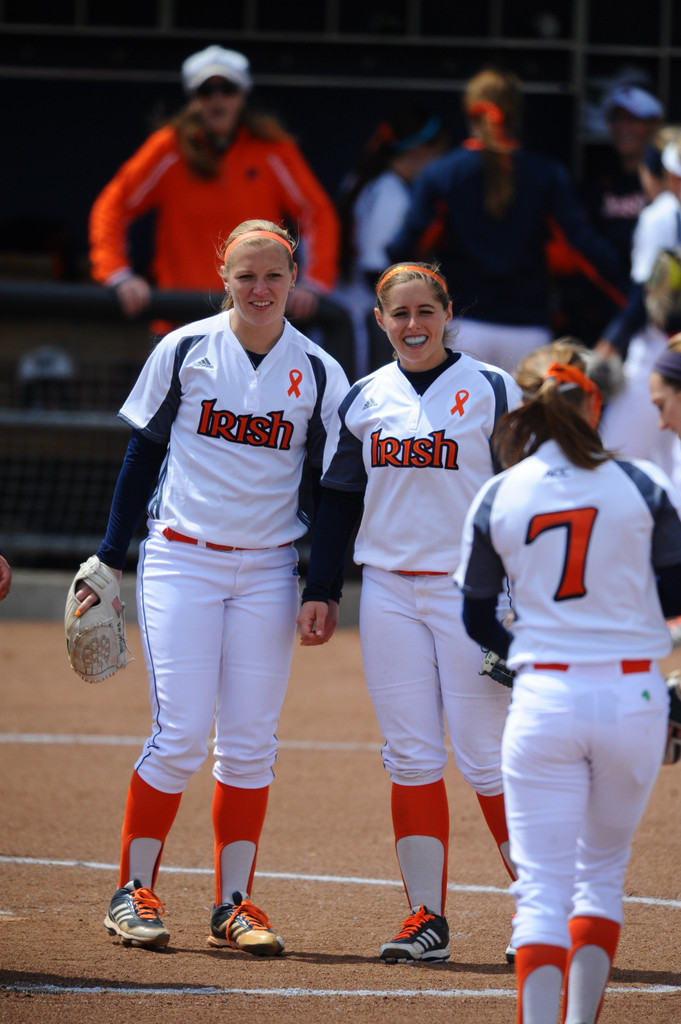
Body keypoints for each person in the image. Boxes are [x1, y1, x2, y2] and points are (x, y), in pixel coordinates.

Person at [72, 219, 349, 952]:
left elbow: (334, 490)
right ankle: (132, 891)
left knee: (251, 742)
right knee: (182, 733)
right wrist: (109, 557)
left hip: (266, 570)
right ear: (221, 275)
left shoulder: (319, 371)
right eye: (245, 275)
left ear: (296, 280)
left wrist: (323, 584)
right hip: (182, 558)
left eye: (274, 276)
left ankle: (234, 904)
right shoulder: (186, 347)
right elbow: (143, 454)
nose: (260, 289)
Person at [297, 261, 523, 964]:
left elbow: (527, 499)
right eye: (400, 314)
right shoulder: (364, 397)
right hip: (390, 590)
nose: (414, 325)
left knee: (486, 760)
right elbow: (338, 498)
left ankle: (542, 912)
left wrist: (528, 603)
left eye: (426, 311)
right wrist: (321, 588)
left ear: (448, 313)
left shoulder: (492, 387)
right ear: (379, 320)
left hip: (471, 593)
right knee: (410, 756)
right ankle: (424, 918)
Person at [456, 356, 681, 1024]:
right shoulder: (642, 480)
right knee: (599, 880)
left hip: (544, 696)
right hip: (631, 695)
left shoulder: (500, 492)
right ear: (593, 408)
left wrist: (523, 653)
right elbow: (674, 588)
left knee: (541, 894)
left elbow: (473, 614)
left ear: (524, 411)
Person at [89, 45, 340, 332]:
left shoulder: (273, 150)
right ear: (194, 100)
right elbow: (112, 205)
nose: (217, 99)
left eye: (228, 89)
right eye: (206, 91)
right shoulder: (168, 148)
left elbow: (317, 213)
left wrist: (314, 283)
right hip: (181, 322)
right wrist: (118, 275)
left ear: (242, 96)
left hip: (256, 323)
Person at [387, 68, 624, 372]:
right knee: (522, 422)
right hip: (528, 332)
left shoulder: (442, 174)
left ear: (469, 113)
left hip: (463, 327)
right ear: (516, 115)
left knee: (459, 421)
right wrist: (629, 297)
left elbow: (406, 248)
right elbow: (583, 246)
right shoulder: (546, 174)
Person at [333, 107, 448, 376]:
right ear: (420, 150)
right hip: (363, 316)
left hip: (352, 305)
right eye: (438, 154)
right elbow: (374, 266)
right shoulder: (390, 191)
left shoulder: (368, 179)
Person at [551, 84, 665, 345]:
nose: (623, 128)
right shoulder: (596, 180)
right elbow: (581, 243)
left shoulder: (668, 184)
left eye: (633, 120)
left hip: (652, 309)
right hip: (600, 308)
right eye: (618, 119)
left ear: (654, 125)